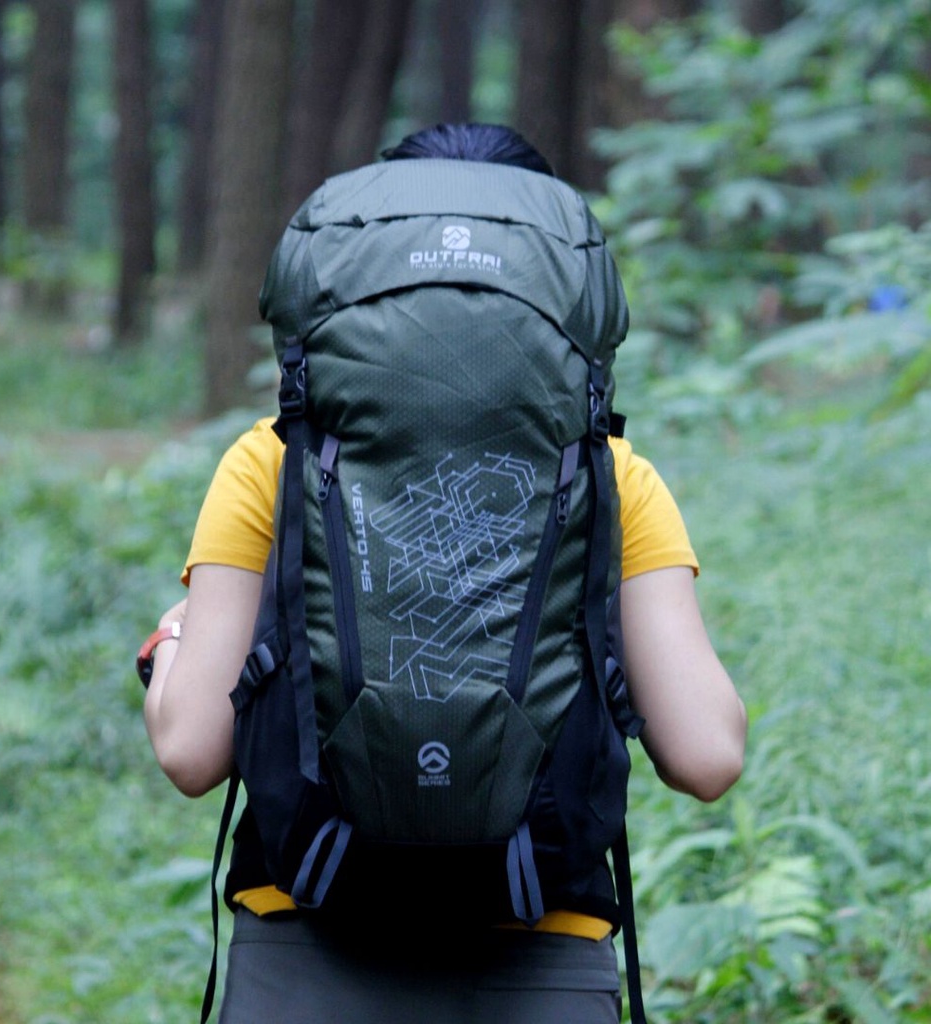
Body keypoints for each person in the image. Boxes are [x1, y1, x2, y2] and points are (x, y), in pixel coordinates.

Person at [141, 123, 747, 1023]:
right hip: (542, 951)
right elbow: (707, 756)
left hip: (306, 947)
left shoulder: (271, 460)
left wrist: (175, 641)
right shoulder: (612, 477)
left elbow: (191, 751)